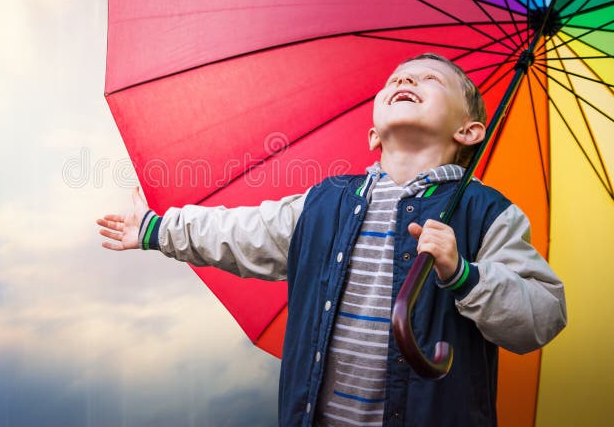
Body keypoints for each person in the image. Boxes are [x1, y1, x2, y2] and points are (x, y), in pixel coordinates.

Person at [96, 53, 566, 426]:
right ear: (371, 134)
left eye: (429, 81)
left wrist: (464, 274)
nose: (405, 83)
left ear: (469, 130)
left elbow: (541, 314)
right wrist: (156, 229)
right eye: (396, 81)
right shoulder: (324, 204)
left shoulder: (487, 215)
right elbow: (240, 232)